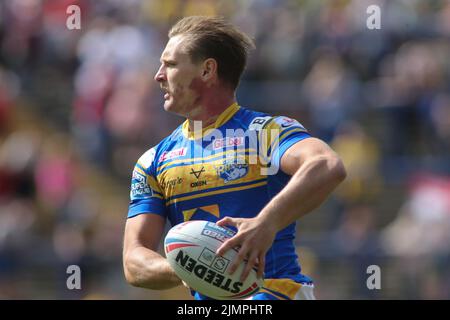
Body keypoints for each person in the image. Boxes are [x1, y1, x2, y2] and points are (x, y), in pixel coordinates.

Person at [123, 16, 346, 300]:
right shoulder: (153, 161)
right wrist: (190, 263)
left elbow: (326, 165)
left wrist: (267, 222)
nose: (159, 75)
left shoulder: (263, 133)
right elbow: (133, 262)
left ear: (207, 70)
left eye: (170, 64)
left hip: (274, 294)